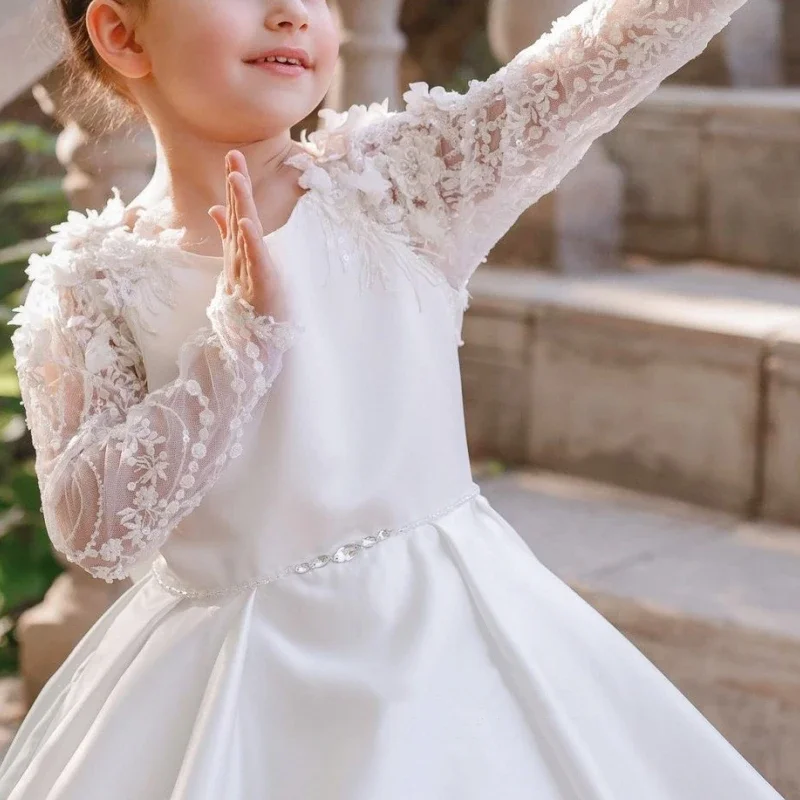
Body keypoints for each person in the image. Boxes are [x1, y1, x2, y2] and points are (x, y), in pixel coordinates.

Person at [0, 0, 785, 797]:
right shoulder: (90, 282)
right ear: (121, 33)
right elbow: (95, 533)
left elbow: (607, 51)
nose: (290, 14)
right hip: (221, 691)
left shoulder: (399, 183)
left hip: (446, 649)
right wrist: (236, 351)